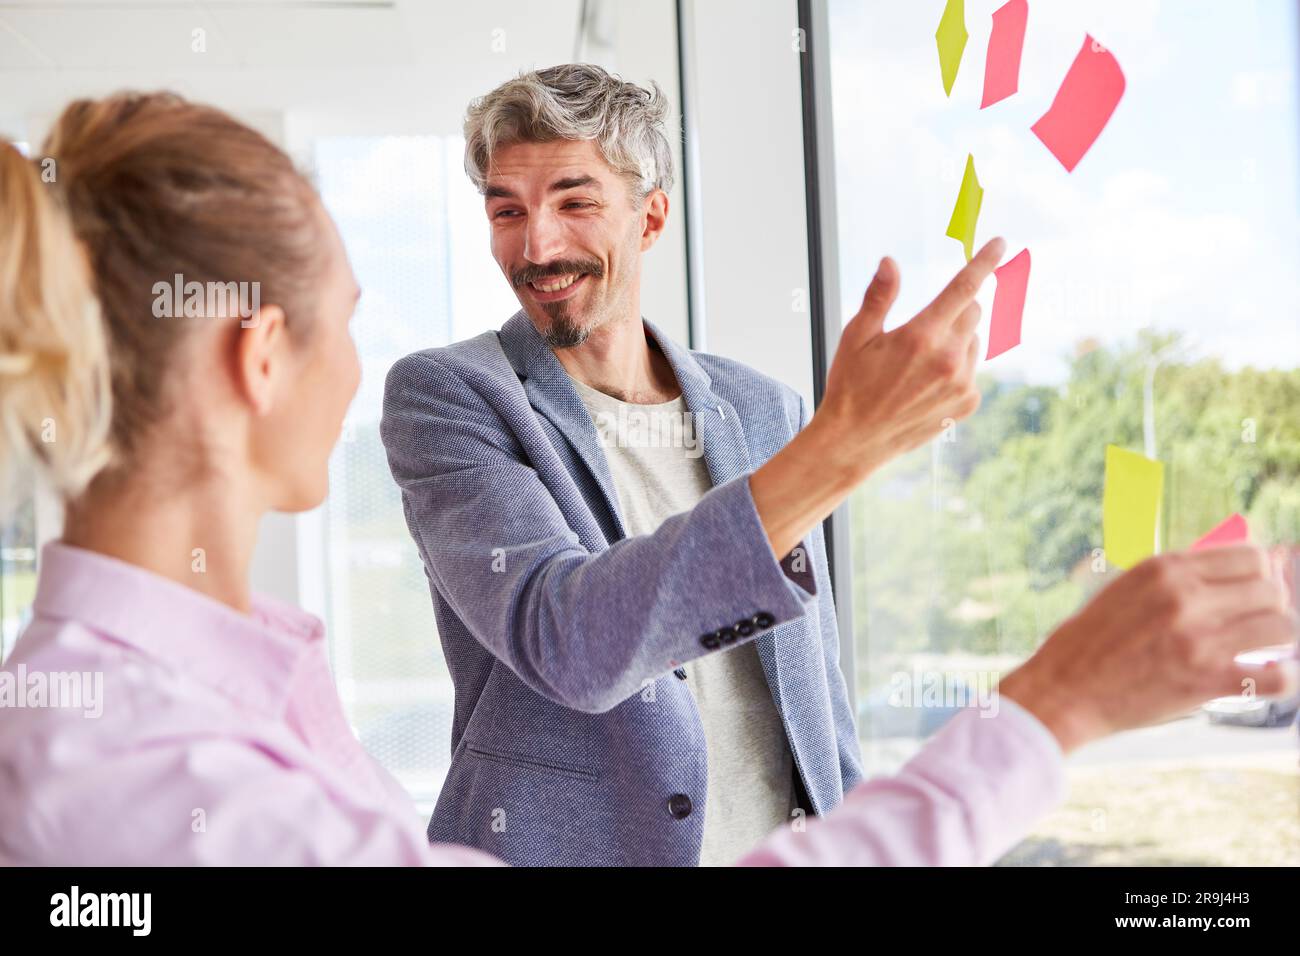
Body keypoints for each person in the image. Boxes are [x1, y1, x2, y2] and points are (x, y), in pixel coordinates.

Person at [0, 92, 1292, 867]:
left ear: (650, 216)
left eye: (573, 198)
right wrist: (1046, 710)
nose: (535, 240)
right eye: (506, 208)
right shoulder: (147, 763)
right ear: (260, 353)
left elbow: (807, 695)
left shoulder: (765, 407)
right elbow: (571, 636)